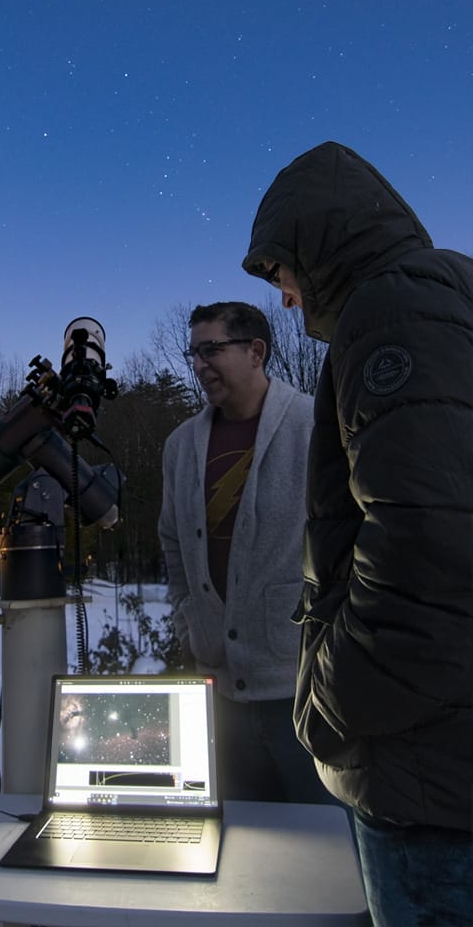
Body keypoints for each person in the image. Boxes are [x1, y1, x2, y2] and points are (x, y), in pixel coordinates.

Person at [242, 141, 473, 926]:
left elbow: (428, 553)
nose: (286, 301)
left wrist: (328, 704)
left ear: (317, 246)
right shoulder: (444, 293)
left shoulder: (394, 308)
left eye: (282, 277)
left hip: (427, 781)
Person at [158, 301, 331, 804]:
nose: (199, 364)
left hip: (300, 693)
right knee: (238, 853)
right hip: (216, 694)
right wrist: (187, 617)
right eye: (194, 353)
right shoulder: (180, 445)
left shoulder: (314, 425)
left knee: (321, 852)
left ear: (256, 351)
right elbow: (172, 540)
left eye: (212, 349)